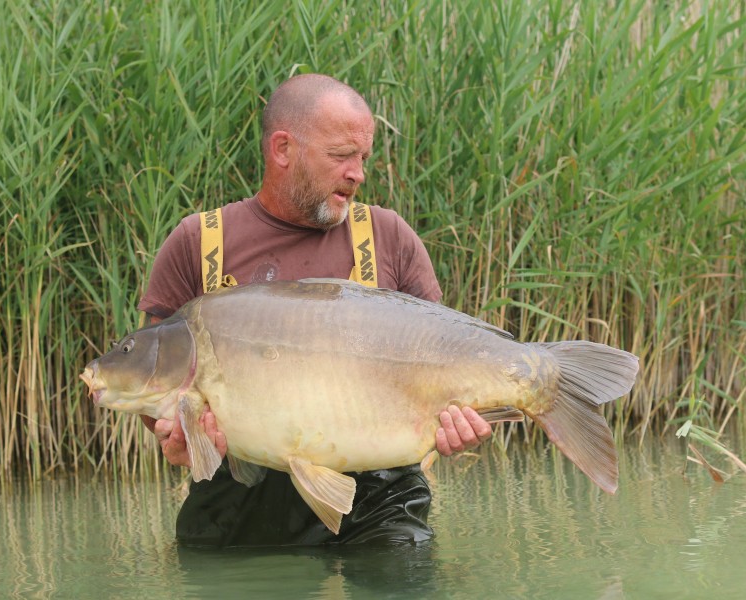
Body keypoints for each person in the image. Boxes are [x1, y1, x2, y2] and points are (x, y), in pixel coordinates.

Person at [137, 74, 492, 546]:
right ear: (283, 149)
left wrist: (466, 422)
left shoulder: (390, 238)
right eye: (342, 156)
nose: (358, 174)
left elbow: (445, 363)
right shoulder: (199, 242)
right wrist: (177, 434)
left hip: (379, 510)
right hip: (236, 510)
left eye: (363, 158)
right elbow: (150, 374)